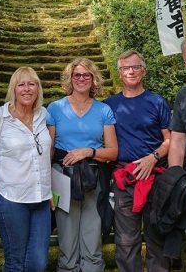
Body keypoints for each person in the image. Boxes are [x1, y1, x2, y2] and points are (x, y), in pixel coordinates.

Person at [47, 57, 118, 272]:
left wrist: (88, 151)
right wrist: (45, 183)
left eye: (86, 75)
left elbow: (113, 152)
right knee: (67, 240)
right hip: (62, 177)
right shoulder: (55, 108)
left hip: (93, 178)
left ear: (93, 78)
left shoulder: (103, 110)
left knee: (92, 236)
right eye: (76, 74)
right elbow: (48, 149)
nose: (81, 78)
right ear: (70, 78)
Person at [0, 67, 52, 272]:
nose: (27, 89)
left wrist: (49, 190)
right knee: (15, 261)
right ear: (14, 89)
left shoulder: (43, 115)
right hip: (10, 197)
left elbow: (46, 154)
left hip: (41, 198)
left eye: (32, 84)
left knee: (38, 263)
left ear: (38, 88)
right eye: (21, 84)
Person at [104, 50, 171, 272]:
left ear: (144, 70)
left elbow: (170, 140)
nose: (130, 71)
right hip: (125, 177)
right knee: (125, 240)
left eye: (135, 67)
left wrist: (153, 158)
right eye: (125, 68)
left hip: (155, 175)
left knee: (157, 237)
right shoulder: (109, 105)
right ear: (119, 73)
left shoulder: (157, 102)